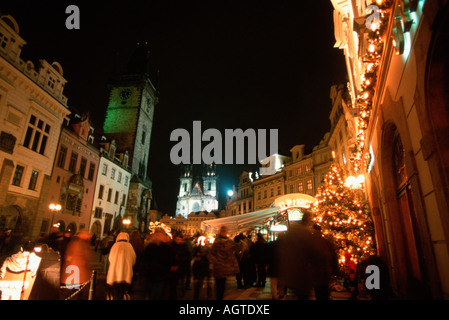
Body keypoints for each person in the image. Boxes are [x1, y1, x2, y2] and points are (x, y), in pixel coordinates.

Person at [208, 226, 240, 300]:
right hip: (219, 268)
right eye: (224, 231)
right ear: (221, 232)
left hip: (224, 268)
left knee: (221, 287)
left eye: (225, 231)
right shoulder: (217, 242)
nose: (225, 233)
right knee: (219, 287)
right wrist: (216, 261)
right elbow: (210, 254)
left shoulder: (228, 241)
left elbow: (235, 250)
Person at [59, 231, 93, 300]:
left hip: (71, 272)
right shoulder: (82, 244)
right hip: (78, 274)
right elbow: (86, 258)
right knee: (75, 294)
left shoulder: (73, 242)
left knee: (71, 293)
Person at [143, 227, 174, 300]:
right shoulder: (150, 247)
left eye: (160, 234)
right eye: (157, 234)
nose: (158, 236)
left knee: (158, 294)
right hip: (152, 276)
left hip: (161, 277)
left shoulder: (167, 248)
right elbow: (144, 260)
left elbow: (172, 261)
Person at [311, 224, 338, 300]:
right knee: (324, 291)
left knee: (318, 292)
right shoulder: (326, 242)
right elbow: (333, 256)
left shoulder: (311, 242)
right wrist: (335, 270)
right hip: (325, 271)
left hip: (315, 272)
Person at [106, 232, 136, 300]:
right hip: (125, 272)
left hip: (115, 272)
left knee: (116, 289)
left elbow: (110, 258)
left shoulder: (115, 246)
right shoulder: (129, 246)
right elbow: (133, 258)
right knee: (122, 289)